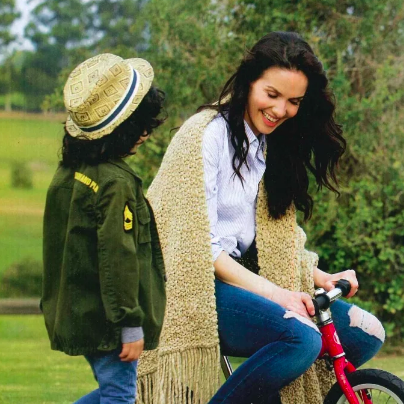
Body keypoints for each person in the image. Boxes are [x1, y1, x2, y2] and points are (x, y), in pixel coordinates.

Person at [137, 32, 385, 404]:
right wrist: (279, 295)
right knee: (300, 339)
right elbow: (198, 247)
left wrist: (321, 277)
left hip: (239, 276)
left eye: (293, 101)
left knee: (365, 336)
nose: (280, 110)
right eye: (272, 94)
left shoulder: (269, 143)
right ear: (248, 82)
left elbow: (270, 237)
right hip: (186, 283)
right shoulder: (206, 136)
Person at [41, 53, 166, 404]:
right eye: (140, 125)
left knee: (113, 393)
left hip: (79, 311)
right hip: (109, 320)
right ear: (123, 130)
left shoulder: (69, 174)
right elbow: (118, 256)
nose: (146, 133)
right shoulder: (115, 182)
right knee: (120, 396)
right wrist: (129, 323)